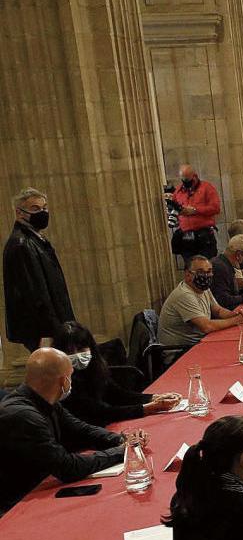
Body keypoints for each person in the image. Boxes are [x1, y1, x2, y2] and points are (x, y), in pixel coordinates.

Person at [0, 348, 147, 516]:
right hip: (17, 507)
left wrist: (120, 439)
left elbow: (81, 429)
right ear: (64, 381)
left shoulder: (42, 399)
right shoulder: (23, 416)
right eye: (71, 375)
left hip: (40, 490)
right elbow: (68, 468)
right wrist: (123, 451)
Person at [51, 322, 182, 426]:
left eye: (80, 349)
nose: (77, 355)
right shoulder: (63, 382)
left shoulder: (94, 367)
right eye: (69, 351)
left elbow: (117, 394)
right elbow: (100, 413)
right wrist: (149, 408)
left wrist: (154, 398)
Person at [3, 188, 74, 351]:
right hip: (43, 329)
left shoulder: (35, 239)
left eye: (44, 208)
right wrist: (54, 330)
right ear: (19, 213)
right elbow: (35, 294)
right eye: (35, 209)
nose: (42, 213)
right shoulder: (21, 244)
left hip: (52, 324)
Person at [159, 256, 243, 349]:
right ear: (188, 275)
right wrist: (237, 320)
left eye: (209, 271)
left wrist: (235, 314)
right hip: (181, 350)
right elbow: (207, 326)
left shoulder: (203, 289)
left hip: (198, 342)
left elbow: (218, 311)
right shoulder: (184, 295)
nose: (206, 276)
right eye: (201, 272)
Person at [170, 164, 221, 259]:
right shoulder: (178, 191)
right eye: (183, 180)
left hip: (204, 236)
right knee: (189, 266)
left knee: (207, 264)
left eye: (188, 180)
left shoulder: (207, 188)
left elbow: (215, 208)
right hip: (186, 237)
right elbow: (173, 209)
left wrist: (195, 210)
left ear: (195, 176)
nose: (186, 183)